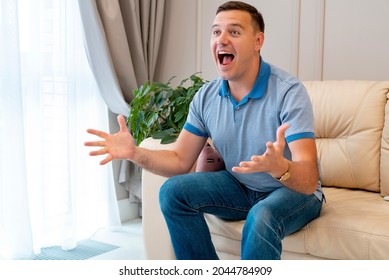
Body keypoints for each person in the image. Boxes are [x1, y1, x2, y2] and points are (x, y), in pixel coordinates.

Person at [85, 1, 323, 260]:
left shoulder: (288, 92)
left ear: (258, 41)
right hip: (240, 186)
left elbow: (309, 180)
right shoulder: (206, 97)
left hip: (292, 193)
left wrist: (280, 168)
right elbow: (179, 160)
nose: (221, 39)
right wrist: (135, 153)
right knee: (173, 192)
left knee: (262, 215)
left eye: (234, 32)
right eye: (215, 32)